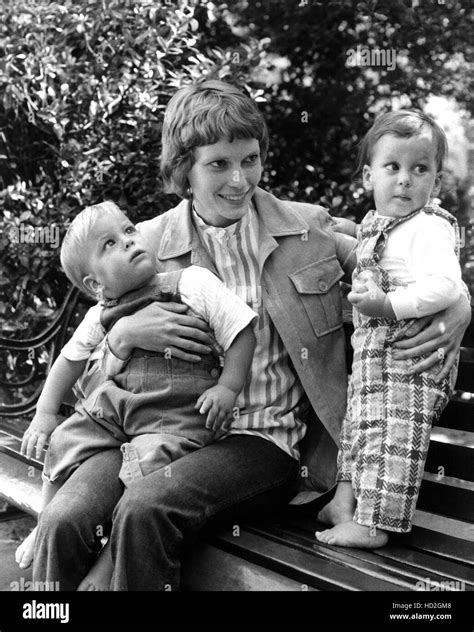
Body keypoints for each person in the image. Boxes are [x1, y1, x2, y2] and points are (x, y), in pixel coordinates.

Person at [32, 81, 470, 591]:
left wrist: (461, 302)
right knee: (63, 521)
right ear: (184, 172)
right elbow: (86, 367)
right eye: (219, 164)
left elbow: (399, 250)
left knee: (146, 509)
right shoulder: (143, 245)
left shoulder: (309, 230)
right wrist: (123, 337)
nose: (240, 180)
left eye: (251, 160)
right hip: (154, 436)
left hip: (263, 442)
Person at [16, 201, 257, 582]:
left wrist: (228, 387)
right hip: (119, 415)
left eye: (129, 231)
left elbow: (243, 330)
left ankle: (108, 561)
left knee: (148, 472)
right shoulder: (100, 314)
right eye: (109, 244)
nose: (128, 242)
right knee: (65, 438)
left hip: (174, 419)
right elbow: (68, 362)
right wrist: (45, 414)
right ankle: (45, 520)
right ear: (96, 285)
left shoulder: (192, 283)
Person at [316, 110, 465, 548]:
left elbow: (445, 285)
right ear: (369, 176)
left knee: (395, 438)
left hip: (411, 359)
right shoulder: (384, 226)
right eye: (393, 168)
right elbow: (371, 245)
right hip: (373, 359)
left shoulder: (429, 228)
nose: (404, 180)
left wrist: (386, 304)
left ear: (435, 183)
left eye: (420, 169)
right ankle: (345, 502)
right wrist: (348, 228)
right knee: (360, 427)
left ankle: (376, 523)